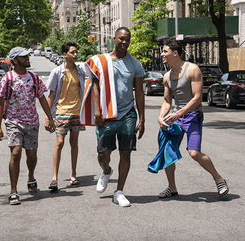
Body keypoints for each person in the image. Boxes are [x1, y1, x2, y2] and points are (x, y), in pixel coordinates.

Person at [80, 27, 145, 207]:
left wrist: (142, 119)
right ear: (114, 39)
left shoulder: (135, 64)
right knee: (103, 153)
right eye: (121, 39)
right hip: (106, 115)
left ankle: (119, 191)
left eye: (127, 39)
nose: (124, 42)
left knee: (126, 153)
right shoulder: (101, 62)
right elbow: (95, 87)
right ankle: (106, 171)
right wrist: (97, 112)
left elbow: (139, 94)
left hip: (128, 115)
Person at [157, 38, 229, 198]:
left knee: (194, 152)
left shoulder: (192, 69)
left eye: (165, 51)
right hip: (175, 116)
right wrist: (161, 116)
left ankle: (219, 178)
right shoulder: (167, 76)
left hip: (192, 115)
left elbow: (197, 98)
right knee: (168, 152)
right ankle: (172, 187)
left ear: (175, 53)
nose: (162, 54)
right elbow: (167, 101)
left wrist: (178, 113)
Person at [0, 47, 55, 205]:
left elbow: (42, 99)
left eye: (28, 56)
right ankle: (13, 191)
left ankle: (31, 175)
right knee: (15, 153)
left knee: (32, 156)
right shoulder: (7, 78)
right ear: (15, 60)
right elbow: (0, 103)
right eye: (24, 57)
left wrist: (50, 118)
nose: (28, 58)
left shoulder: (34, 78)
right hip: (14, 122)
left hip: (32, 122)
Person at [45, 41, 86, 191]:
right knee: (59, 142)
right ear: (64, 55)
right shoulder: (57, 72)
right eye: (72, 52)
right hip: (61, 111)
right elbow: (51, 95)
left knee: (74, 143)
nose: (75, 55)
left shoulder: (80, 71)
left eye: (76, 52)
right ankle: (54, 177)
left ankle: (73, 174)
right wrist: (48, 117)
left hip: (76, 112)